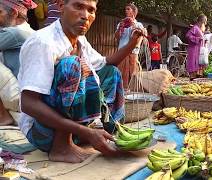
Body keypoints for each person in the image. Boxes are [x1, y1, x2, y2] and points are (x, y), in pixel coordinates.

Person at [18, 0, 144, 163]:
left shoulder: (80, 40)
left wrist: (132, 43)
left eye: (91, 10)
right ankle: (61, 147)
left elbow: (107, 63)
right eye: (78, 6)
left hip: (77, 129)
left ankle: (106, 134)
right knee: (72, 65)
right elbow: (28, 103)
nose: (85, 15)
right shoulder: (43, 42)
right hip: (43, 132)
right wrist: (87, 133)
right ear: (61, 7)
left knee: (111, 72)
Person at [0, 0, 37, 126]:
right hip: (22, 99)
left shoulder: (17, 33)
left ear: (15, 13)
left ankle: (3, 115)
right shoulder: (26, 31)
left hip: (21, 100)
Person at [115, 3, 146, 90]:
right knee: (121, 71)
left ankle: (133, 90)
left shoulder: (138, 24)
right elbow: (117, 37)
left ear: (133, 12)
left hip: (133, 51)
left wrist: (133, 25)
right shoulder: (121, 23)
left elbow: (142, 35)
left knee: (132, 71)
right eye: (126, 9)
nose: (126, 11)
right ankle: (122, 90)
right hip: (122, 51)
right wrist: (120, 28)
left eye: (128, 9)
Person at [186, 14, 207, 80]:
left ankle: (196, 77)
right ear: (202, 21)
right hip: (193, 49)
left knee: (197, 63)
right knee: (193, 63)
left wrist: (204, 40)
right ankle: (192, 77)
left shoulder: (199, 29)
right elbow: (188, 36)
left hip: (198, 49)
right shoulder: (195, 28)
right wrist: (198, 39)